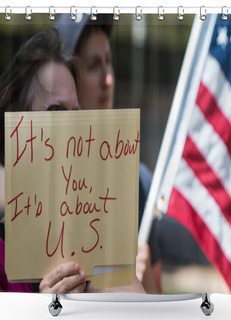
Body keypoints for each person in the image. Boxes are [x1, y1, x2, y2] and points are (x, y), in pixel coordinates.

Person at [0, 27, 145, 294]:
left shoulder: (99, 250)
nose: (72, 128)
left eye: (76, 114)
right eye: (56, 112)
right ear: (17, 129)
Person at [55, 14, 162, 293]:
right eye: (93, 66)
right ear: (66, 77)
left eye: (108, 61)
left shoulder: (139, 182)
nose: (109, 79)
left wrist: (144, 276)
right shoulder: (46, 183)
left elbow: (159, 301)